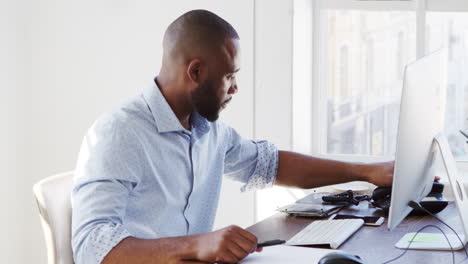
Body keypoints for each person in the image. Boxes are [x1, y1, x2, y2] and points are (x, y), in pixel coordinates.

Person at [71, 9, 393, 264]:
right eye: (229, 76)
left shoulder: (208, 131)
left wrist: (365, 172)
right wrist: (197, 244)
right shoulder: (118, 133)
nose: (235, 88)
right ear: (195, 72)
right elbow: (91, 247)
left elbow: (271, 165)